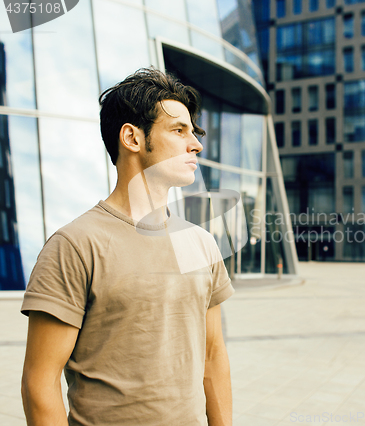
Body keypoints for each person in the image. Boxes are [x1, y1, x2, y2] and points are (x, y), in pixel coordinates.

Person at [20, 68, 234, 426]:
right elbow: (39, 383)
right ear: (132, 138)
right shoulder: (74, 245)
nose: (195, 144)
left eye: (192, 133)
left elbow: (213, 356)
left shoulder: (202, 243)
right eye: (179, 131)